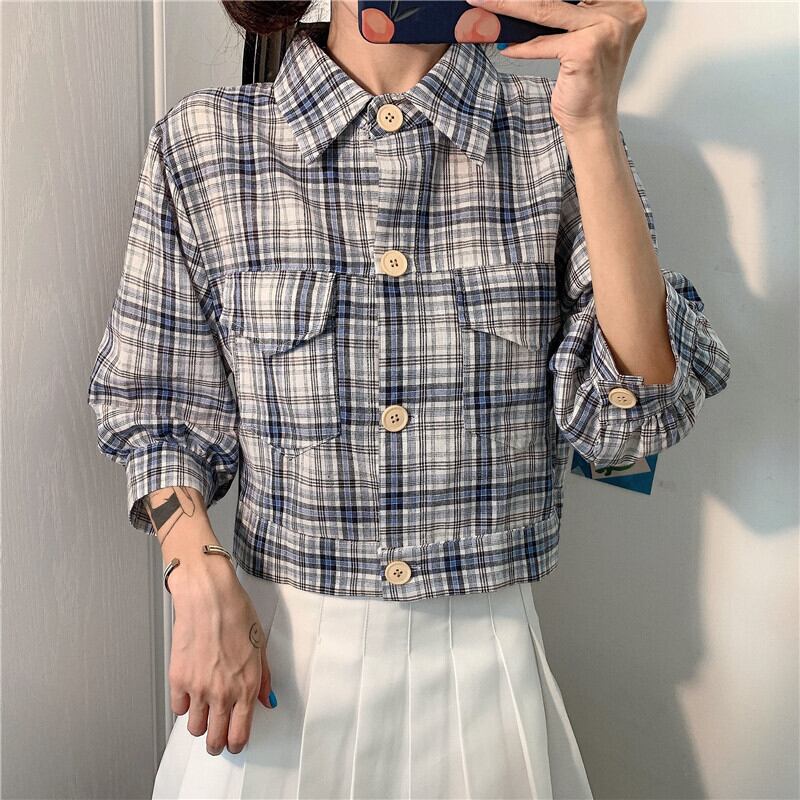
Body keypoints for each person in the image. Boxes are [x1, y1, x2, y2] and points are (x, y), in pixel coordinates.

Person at [86, 0, 731, 797]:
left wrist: (593, 124)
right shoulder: (205, 143)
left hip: (485, 681)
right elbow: (157, 406)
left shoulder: (555, 135)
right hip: (269, 666)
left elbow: (631, 425)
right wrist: (194, 574)